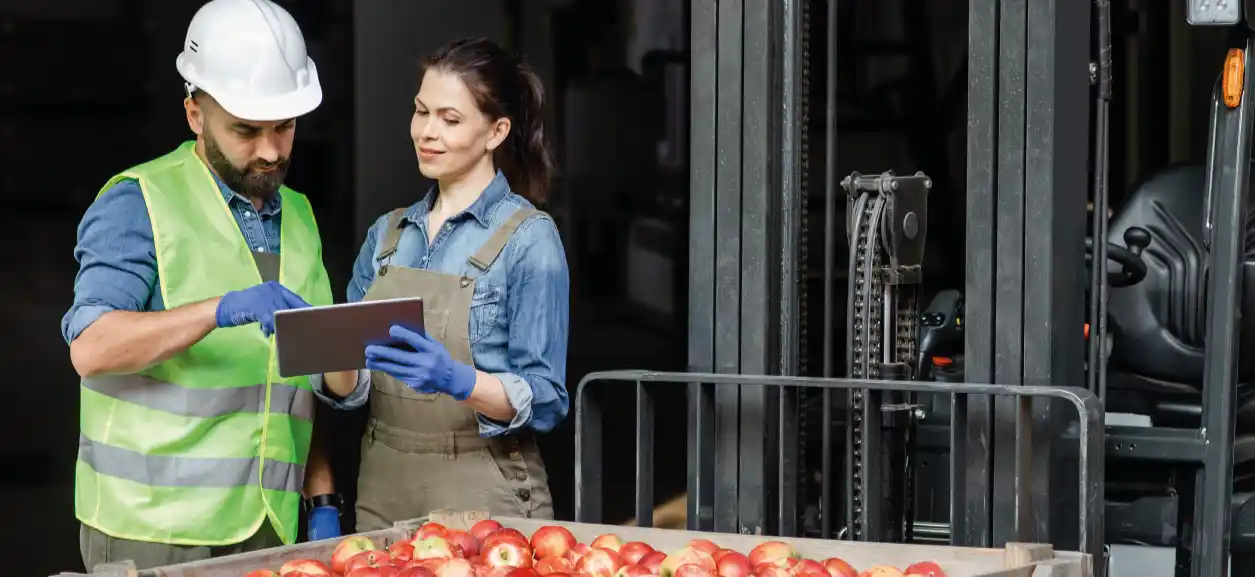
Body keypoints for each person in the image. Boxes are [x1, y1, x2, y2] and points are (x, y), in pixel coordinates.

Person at [62, 0, 343, 569]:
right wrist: (217, 310)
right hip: (151, 529)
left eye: (284, 127)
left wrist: (323, 495)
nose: (270, 151)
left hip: (272, 523)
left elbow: (308, 380)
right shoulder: (138, 203)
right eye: (245, 129)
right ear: (195, 113)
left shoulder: (301, 215)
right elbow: (90, 347)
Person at [315, 37, 569, 529]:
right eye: (421, 111)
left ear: (496, 132)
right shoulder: (387, 236)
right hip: (383, 486)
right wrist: (326, 346)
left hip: (484, 489)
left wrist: (460, 381)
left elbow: (548, 398)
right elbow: (353, 389)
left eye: (450, 120)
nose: (427, 132)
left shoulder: (529, 239)